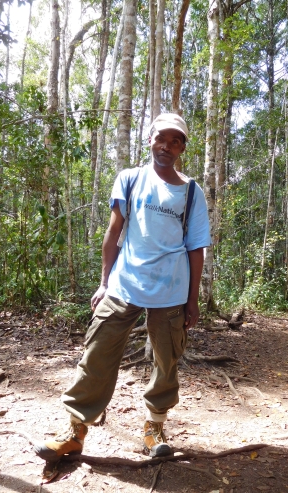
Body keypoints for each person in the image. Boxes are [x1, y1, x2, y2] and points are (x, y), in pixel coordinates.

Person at [34, 113, 211, 463]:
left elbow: (195, 248)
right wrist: (104, 282)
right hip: (124, 283)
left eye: (176, 140)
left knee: (167, 358)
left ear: (182, 148)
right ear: (150, 139)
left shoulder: (191, 191)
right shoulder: (130, 179)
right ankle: (75, 431)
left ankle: (155, 427)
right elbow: (113, 234)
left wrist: (192, 301)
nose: (167, 145)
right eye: (162, 137)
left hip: (172, 290)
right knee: (97, 351)